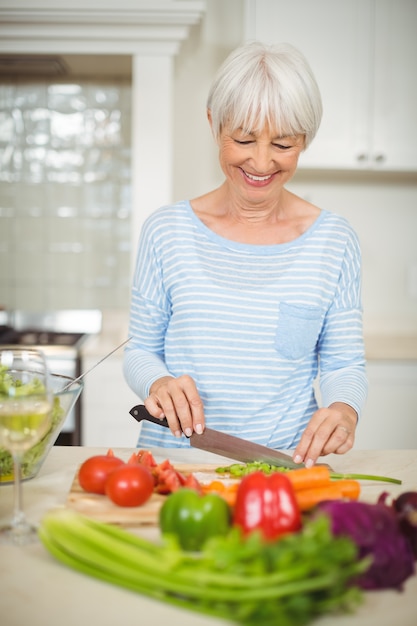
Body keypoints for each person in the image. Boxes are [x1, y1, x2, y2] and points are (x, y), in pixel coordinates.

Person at [123, 41, 368, 467]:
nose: (261, 162)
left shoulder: (335, 240)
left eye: (283, 145)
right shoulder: (166, 231)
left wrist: (345, 409)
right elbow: (139, 349)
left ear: (305, 139)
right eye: (244, 139)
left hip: (283, 464)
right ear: (214, 123)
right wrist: (158, 381)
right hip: (174, 462)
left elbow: (343, 362)